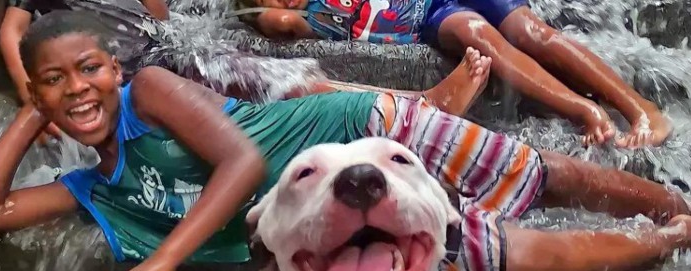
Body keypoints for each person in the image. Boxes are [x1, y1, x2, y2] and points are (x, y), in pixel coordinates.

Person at [0, 11, 691, 271]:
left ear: (115, 70)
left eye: (88, 70)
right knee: (492, 258)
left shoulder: (150, 92)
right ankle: (666, 241)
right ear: (35, 89)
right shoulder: (94, 187)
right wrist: (31, 113)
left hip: (366, 128)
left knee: (534, 173)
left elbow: (240, 162)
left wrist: (161, 265)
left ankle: (670, 207)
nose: (77, 88)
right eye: (55, 81)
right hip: (330, 213)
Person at [237, 0, 672, 149]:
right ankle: (583, 110)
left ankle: (641, 108)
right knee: (475, 32)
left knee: (529, 30)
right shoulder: (298, 18)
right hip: (433, 18)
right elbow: (270, 20)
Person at [1, 0, 170, 143]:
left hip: (152, 50)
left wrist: (167, 35)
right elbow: (13, 30)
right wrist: (35, 103)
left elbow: (156, 9)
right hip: (103, 69)